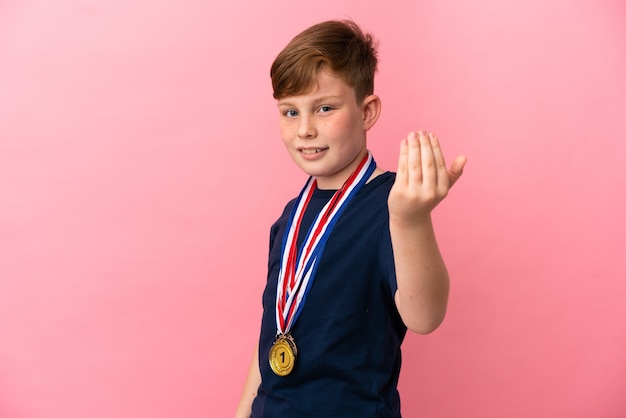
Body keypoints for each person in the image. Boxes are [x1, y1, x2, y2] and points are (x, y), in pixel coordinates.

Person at [235, 19, 466, 418]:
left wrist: (411, 219)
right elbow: (272, 336)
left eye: (324, 108)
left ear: (367, 111)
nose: (305, 129)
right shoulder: (290, 218)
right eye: (290, 112)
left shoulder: (392, 206)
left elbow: (426, 316)